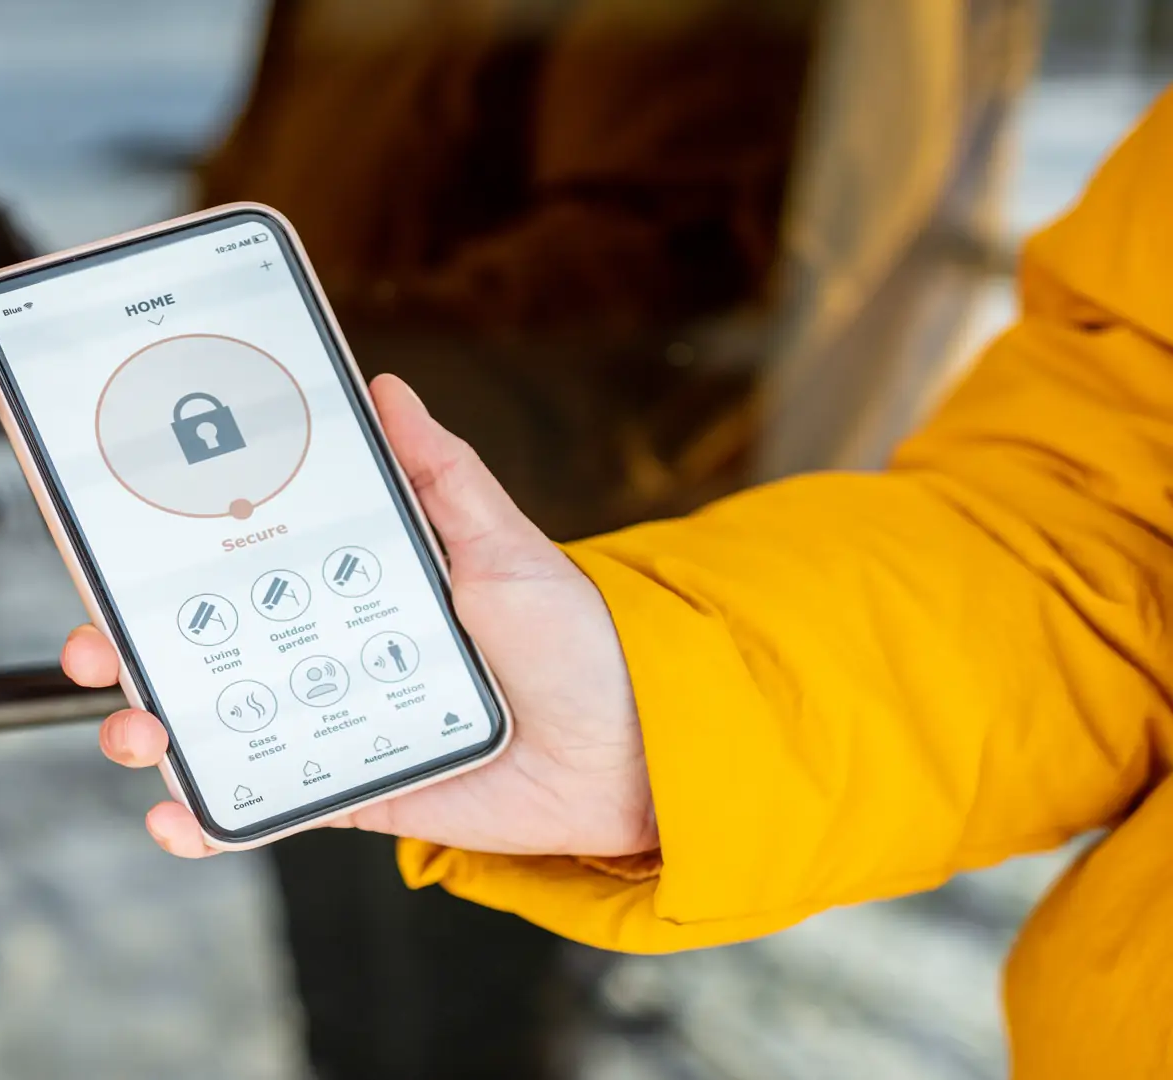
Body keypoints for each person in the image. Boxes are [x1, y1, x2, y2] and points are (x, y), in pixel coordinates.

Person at [62, 87, 1173, 1078]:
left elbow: (664, 240)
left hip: (543, 454)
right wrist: (662, 708)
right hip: (417, 573)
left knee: (444, 1008)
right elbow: (1111, 528)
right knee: (368, 978)